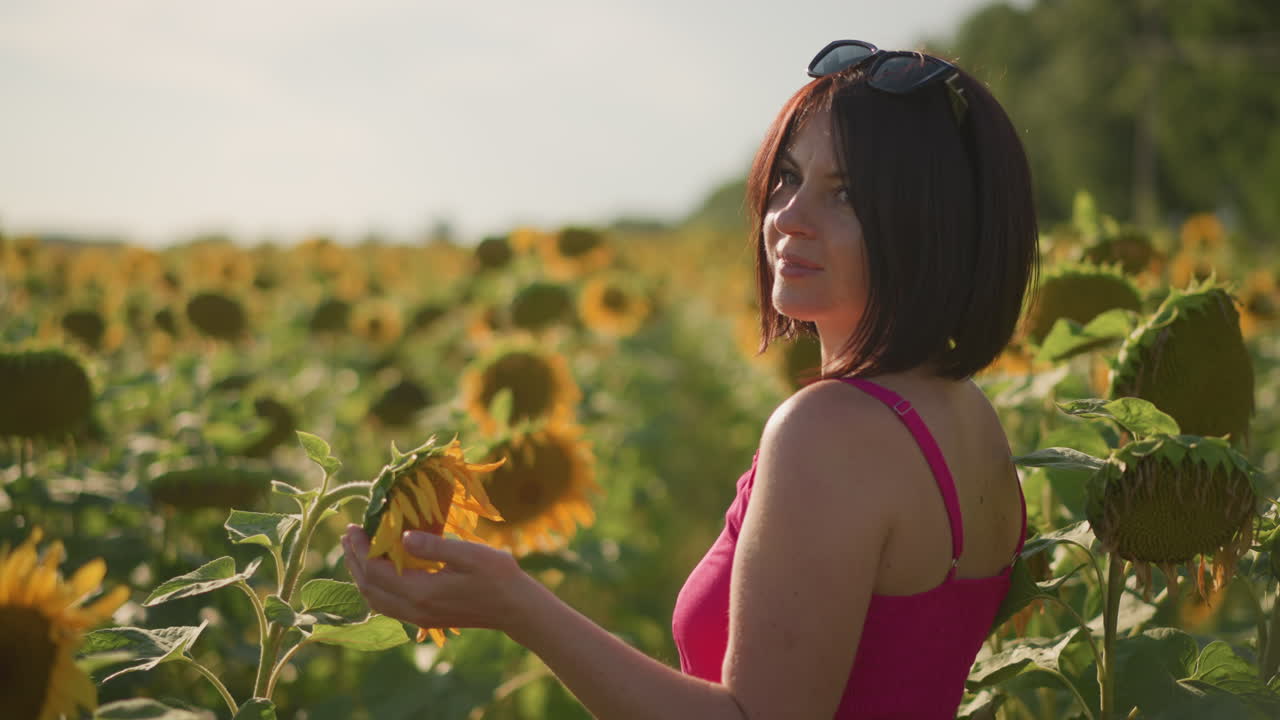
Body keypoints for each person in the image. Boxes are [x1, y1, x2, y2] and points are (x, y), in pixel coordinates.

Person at [342, 39, 1037, 719]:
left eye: (845, 194)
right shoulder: (969, 416)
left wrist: (519, 607)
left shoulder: (827, 431)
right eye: (788, 177)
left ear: (931, 224)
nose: (788, 218)